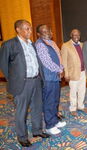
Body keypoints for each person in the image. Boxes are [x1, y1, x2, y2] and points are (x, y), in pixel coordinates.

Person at [0, 19, 50, 147]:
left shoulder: (31, 44)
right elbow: (4, 66)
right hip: (21, 84)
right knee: (21, 111)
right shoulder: (9, 44)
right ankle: (22, 137)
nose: (30, 31)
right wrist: (13, 80)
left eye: (30, 28)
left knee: (37, 108)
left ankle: (37, 130)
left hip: (36, 81)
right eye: (27, 28)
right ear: (18, 29)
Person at [35, 24, 66, 135]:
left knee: (55, 100)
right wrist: (59, 70)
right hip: (48, 78)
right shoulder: (40, 44)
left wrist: (61, 68)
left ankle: (55, 120)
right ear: (38, 34)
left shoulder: (52, 43)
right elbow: (46, 62)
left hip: (56, 76)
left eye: (48, 30)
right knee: (49, 101)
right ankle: (49, 125)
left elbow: (59, 56)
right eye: (44, 31)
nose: (47, 32)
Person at [61, 29, 87, 116]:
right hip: (72, 73)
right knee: (73, 92)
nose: (76, 37)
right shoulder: (66, 45)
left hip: (82, 72)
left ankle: (81, 106)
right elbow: (64, 61)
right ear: (71, 35)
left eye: (78, 35)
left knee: (82, 90)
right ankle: (73, 108)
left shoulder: (82, 45)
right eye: (74, 35)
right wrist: (66, 73)